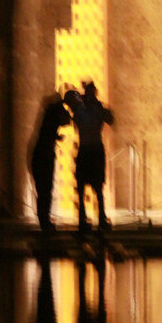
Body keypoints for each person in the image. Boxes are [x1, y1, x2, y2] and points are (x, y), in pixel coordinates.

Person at [65, 81, 114, 232]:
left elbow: (109, 119)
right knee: (87, 187)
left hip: (89, 148)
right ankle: (90, 219)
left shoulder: (88, 108)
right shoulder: (86, 108)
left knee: (94, 187)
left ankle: (95, 218)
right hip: (90, 148)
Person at [29, 92, 71, 231]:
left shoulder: (48, 114)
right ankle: (44, 221)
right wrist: (67, 105)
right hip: (44, 155)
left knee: (44, 190)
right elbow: (66, 120)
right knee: (45, 189)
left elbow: (49, 130)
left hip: (41, 154)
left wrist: (56, 137)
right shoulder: (53, 112)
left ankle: (44, 219)